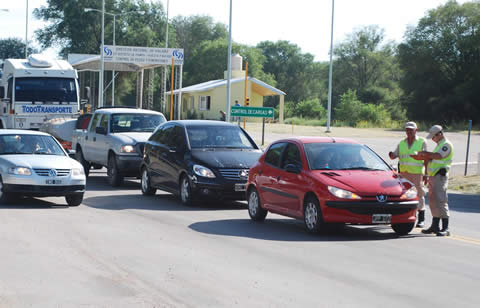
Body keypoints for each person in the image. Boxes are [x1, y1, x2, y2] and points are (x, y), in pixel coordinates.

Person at [415, 125, 453, 236]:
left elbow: (438, 156)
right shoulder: (439, 145)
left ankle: (446, 227)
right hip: (433, 176)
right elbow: (432, 158)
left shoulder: (446, 145)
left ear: (439, 134)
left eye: (433, 136)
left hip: (440, 177)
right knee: (432, 200)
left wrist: (425, 153)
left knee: (441, 200)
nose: (432, 139)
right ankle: (435, 225)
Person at [388, 121, 427, 228]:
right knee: (405, 194)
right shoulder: (402, 143)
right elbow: (395, 155)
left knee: (419, 194)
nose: (409, 131)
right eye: (407, 130)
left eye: (411, 129)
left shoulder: (421, 141)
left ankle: (421, 218)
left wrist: (426, 174)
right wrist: (392, 155)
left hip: (417, 172)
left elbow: (425, 157)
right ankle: (404, 216)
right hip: (404, 173)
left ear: (416, 130)